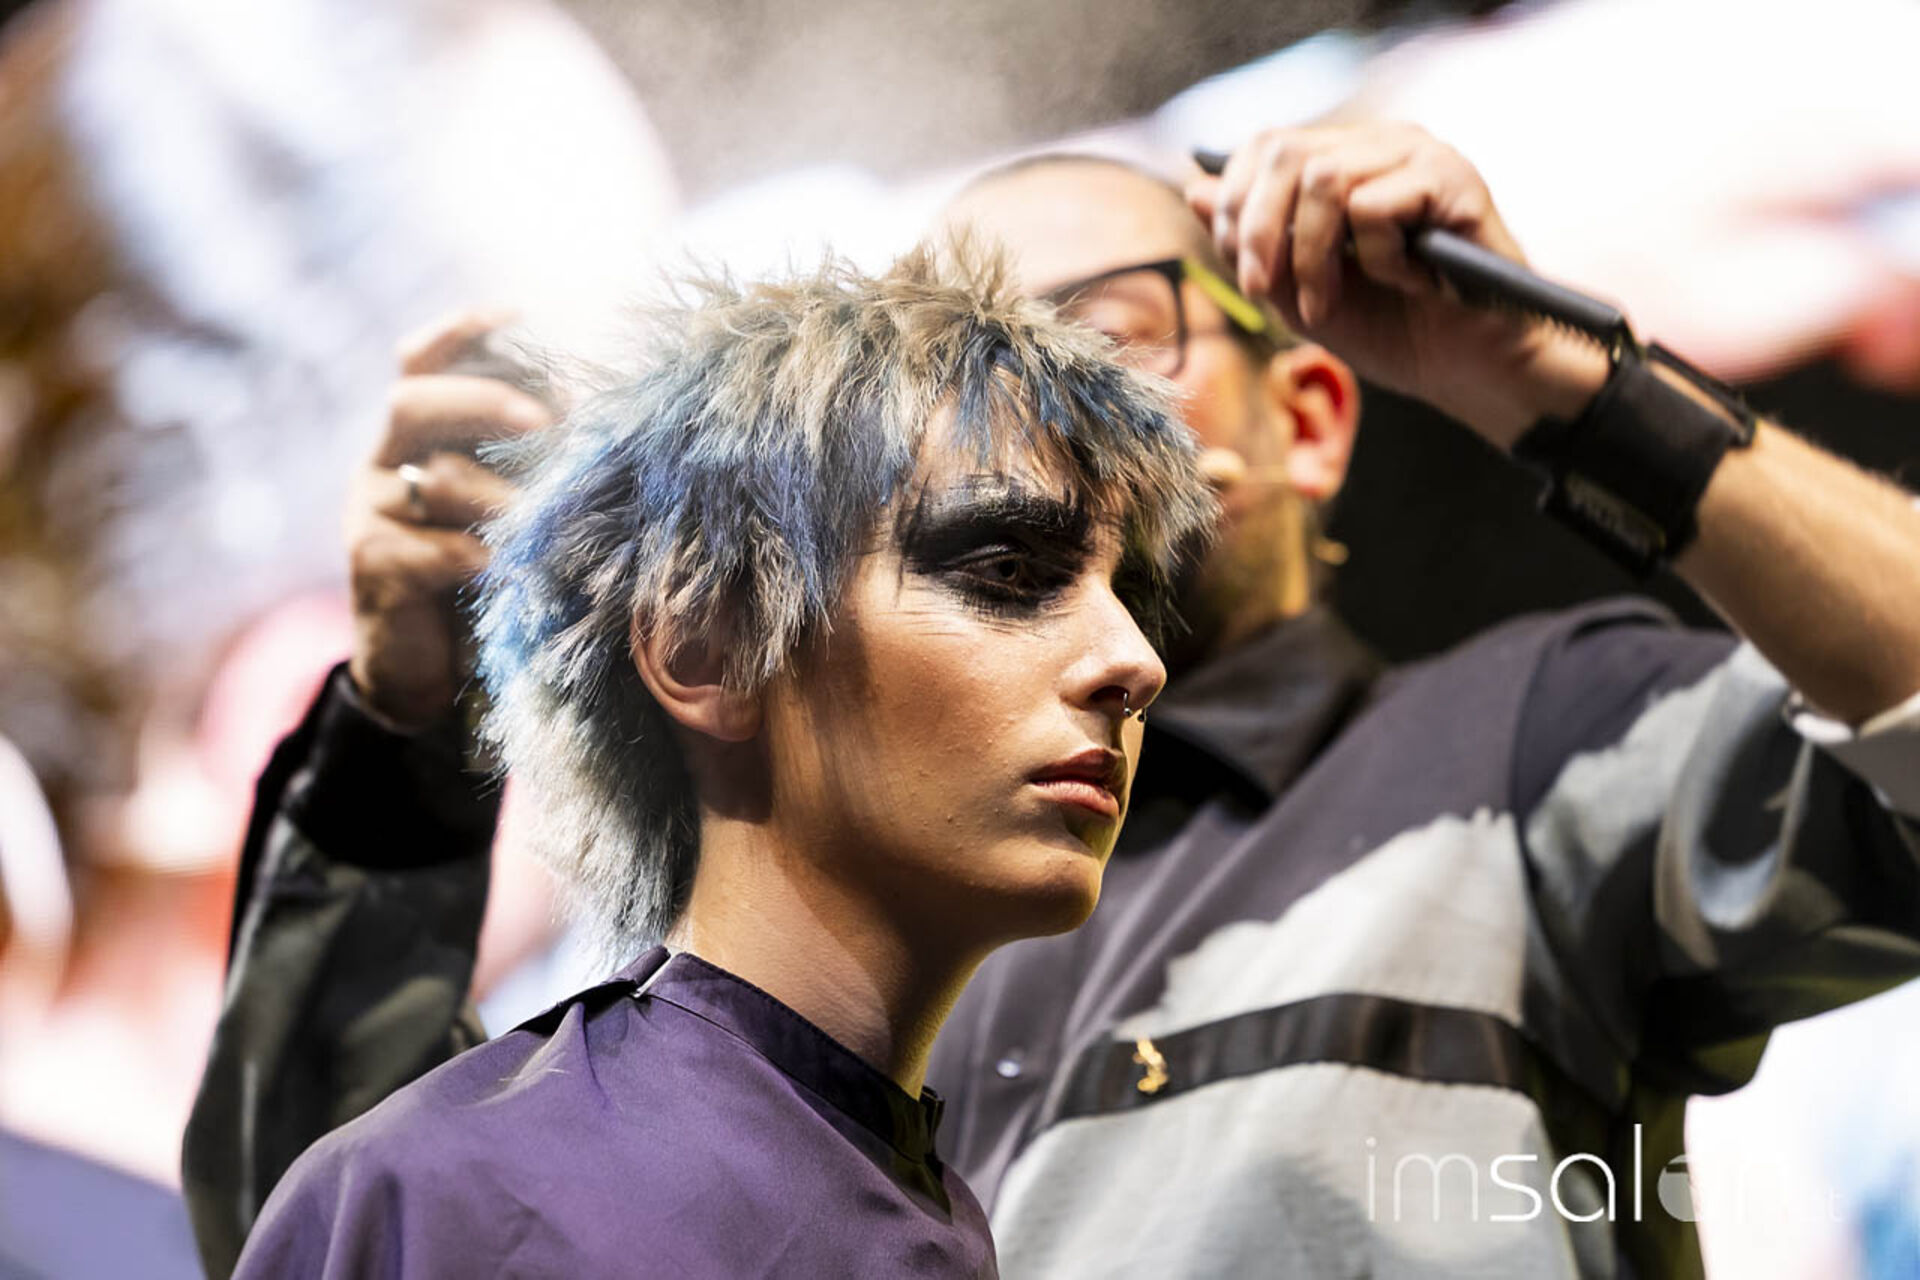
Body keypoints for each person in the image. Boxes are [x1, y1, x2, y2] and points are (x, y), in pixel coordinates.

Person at [188, 124, 1920, 1278]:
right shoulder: (785, 895)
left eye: (1102, 328)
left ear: (1311, 413)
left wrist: (1565, 381)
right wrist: (406, 723)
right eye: (964, 357)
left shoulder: (1526, 750)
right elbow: (323, 1211)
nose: (1037, 402)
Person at [224, 248, 1210, 1278]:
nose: (1135, 661)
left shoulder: (922, 1205)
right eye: (1007, 570)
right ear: (708, 651)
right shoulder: (453, 1199)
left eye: (1129, 595)